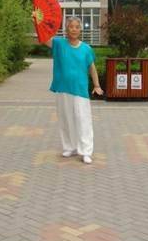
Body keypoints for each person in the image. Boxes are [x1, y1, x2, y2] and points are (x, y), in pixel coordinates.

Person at [41, 16, 103, 164]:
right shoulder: (59, 44)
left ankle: (86, 151)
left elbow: (92, 68)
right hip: (63, 88)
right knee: (66, 119)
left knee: (83, 120)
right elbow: (44, 39)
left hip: (80, 90)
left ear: (80, 30)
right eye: (71, 26)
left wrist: (97, 85)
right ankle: (70, 147)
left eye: (76, 27)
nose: (74, 29)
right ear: (66, 29)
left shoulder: (86, 49)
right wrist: (37, 22)